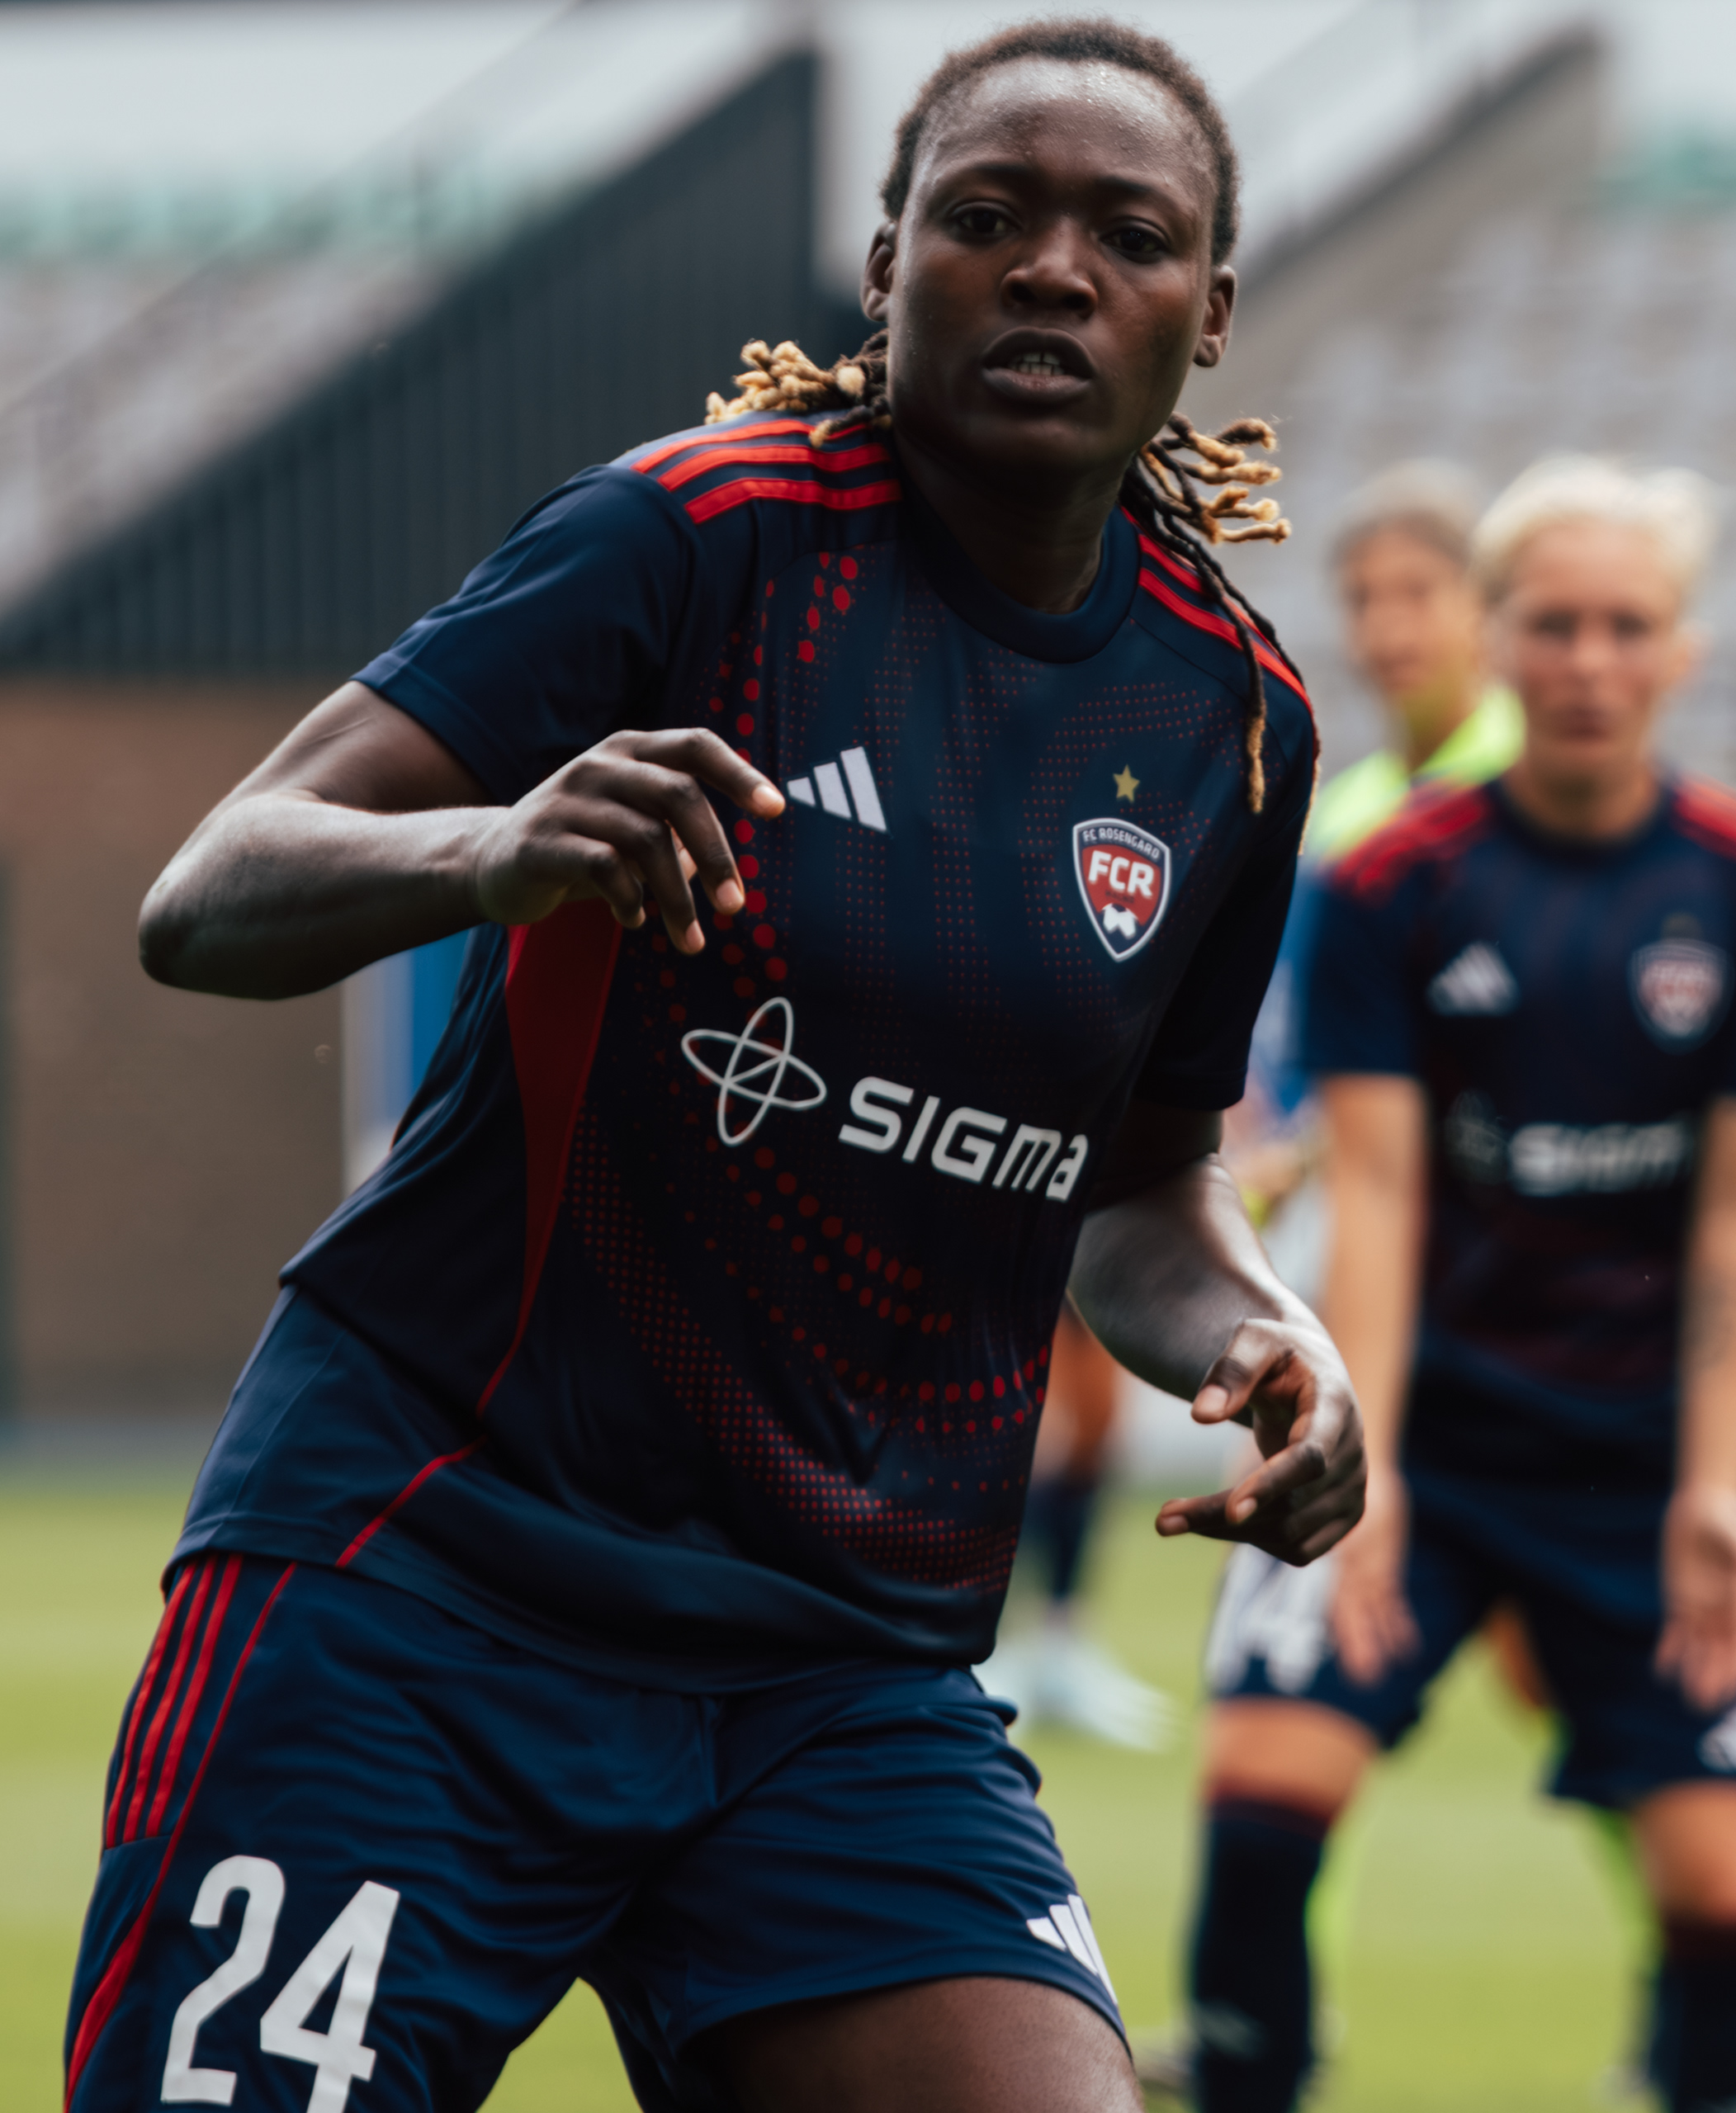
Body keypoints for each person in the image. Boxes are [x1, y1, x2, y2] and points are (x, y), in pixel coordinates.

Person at [68, 22, 1363, 2113]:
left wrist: (1272, 1334)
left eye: (1125, 235)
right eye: (985, 215)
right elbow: (210, 890)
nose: (1051, 267)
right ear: (883, 264)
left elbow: (1135, 1189)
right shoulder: (697, 538)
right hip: (430, 1585)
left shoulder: (1229, 721)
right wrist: (488, 847)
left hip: (833, 1664)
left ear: (1205, 315)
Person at [1185, 456, 1736, 2113]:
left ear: (1681, 650)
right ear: (1498, 638)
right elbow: (1387, 1204)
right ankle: (1254, 2069)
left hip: (1636, 1470)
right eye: (1552, 623)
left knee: (1730, 1891)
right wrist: (1368, 1463)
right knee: (1264, 1792)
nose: (1589, 659)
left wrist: (1712, 1485)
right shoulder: (1395, 883)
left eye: (1629, 625)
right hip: (1436, 1438)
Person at [1302, 460, 1522, 862]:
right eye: (1361, 599)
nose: (1387, 630)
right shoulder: (1338, 817)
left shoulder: (1534, 777)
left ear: (1482, 602)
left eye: (1417, 592)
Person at [986, 1310, 1175, 1750]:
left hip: (1082, 1258)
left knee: (1092, 1435)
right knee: (1033, 1435)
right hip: (1006, 1259)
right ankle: (999, 1647)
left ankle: (1060, 1645)